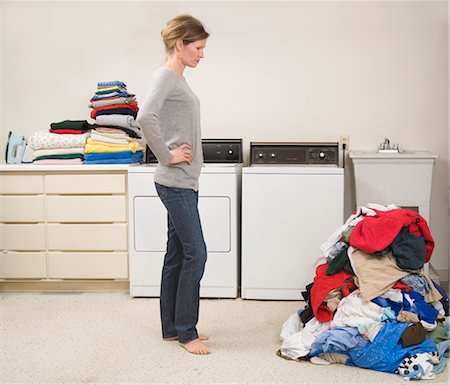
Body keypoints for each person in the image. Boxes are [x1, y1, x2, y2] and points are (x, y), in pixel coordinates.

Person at [136, 14, 210, 355]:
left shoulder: (176, 79)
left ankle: (171, 327)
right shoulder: (166, 75)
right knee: (196, 253)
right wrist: (167, 155)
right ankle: (186, 332)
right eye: (197, 47)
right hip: (175, 182)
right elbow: (144, 116)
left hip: (182, 181)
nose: (202, 54)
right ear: (180, 45)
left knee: (178, 254)